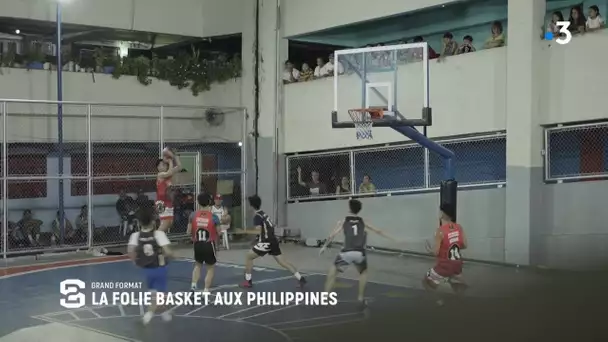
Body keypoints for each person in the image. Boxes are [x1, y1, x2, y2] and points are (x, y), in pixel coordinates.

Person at [319, 199, 397, 309]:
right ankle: (360, 298)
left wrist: (324, 247)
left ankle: (326, 298)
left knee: (332, 274)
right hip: (360, 253)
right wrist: (393, 239)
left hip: (346, 252)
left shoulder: (343, 221)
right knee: (363, 273)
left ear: (349, 209)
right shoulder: (363, 221)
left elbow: (332, 235)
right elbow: (378, 231)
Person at [240, 195, 306, 288]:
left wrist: (244, 231)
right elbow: (268, 228)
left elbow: (258, 231)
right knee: (283, 262)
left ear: (251, 206)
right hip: (273, 241)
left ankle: (248, 281)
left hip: (266, 242)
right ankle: (300, 278)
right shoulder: (263, 214)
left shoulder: (257, 217)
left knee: (249, 256)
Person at [127, 202, 173, 325]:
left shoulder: (135, 236)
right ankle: (147, 317)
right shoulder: (159, 234)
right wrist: (173, 255)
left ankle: (164, 312)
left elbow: (130, 251)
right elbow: (168, 252)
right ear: (153, 222)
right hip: (160, 268)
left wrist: (135, 261)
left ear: (140, 223)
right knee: (160, 295)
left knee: (155, 294)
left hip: (147, 269)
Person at [423, 203, 468, 306]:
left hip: (445, 264)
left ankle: (440, 302)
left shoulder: (440, 231)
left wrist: (429, 250)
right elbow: (465, 245)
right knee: (456, 280)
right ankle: (461, 302)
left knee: (426, 280)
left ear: (443, 214)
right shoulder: (459, 227)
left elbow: (436, 252)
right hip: (458, 263)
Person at [187, 193, 220, 292]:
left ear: (198, 202)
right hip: (209, 244)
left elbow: (188, 231)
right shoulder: (214, 217)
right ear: (210, 202)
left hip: (197, 244)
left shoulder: (193, 215)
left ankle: (193, 286)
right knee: (210, 268)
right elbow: (219, 232)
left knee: (198, 265)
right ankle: (206, 290)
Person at [156, 147, 181, 233]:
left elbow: (179, 167)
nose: (164, 165)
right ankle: (154, 239)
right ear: (158, 167)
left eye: (164, 164)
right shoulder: (160, 174)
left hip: (168, 200)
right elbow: (169, 173)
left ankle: (159, 239)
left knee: (169, 223)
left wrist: (175, 156)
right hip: (161, 202)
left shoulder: (168, 173)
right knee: (165, 223)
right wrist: (170, 161)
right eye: (162, 165)